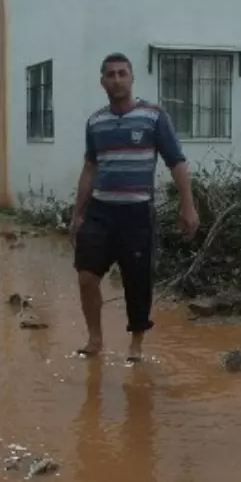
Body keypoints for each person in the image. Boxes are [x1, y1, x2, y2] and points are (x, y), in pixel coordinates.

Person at [71, 53, 200, 362]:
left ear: (131, 78)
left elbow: (176, 162)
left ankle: (136, 345)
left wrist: (188, 207)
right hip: (100, 211)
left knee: (137, 281)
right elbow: (90, 168)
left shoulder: (154, 117)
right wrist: (78, 213)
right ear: (102, 81)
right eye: (110, 75)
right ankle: (95, 339)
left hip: (137, 213)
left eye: (122, 74)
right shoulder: (95, 122)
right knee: (86, 277)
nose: (116, 79)